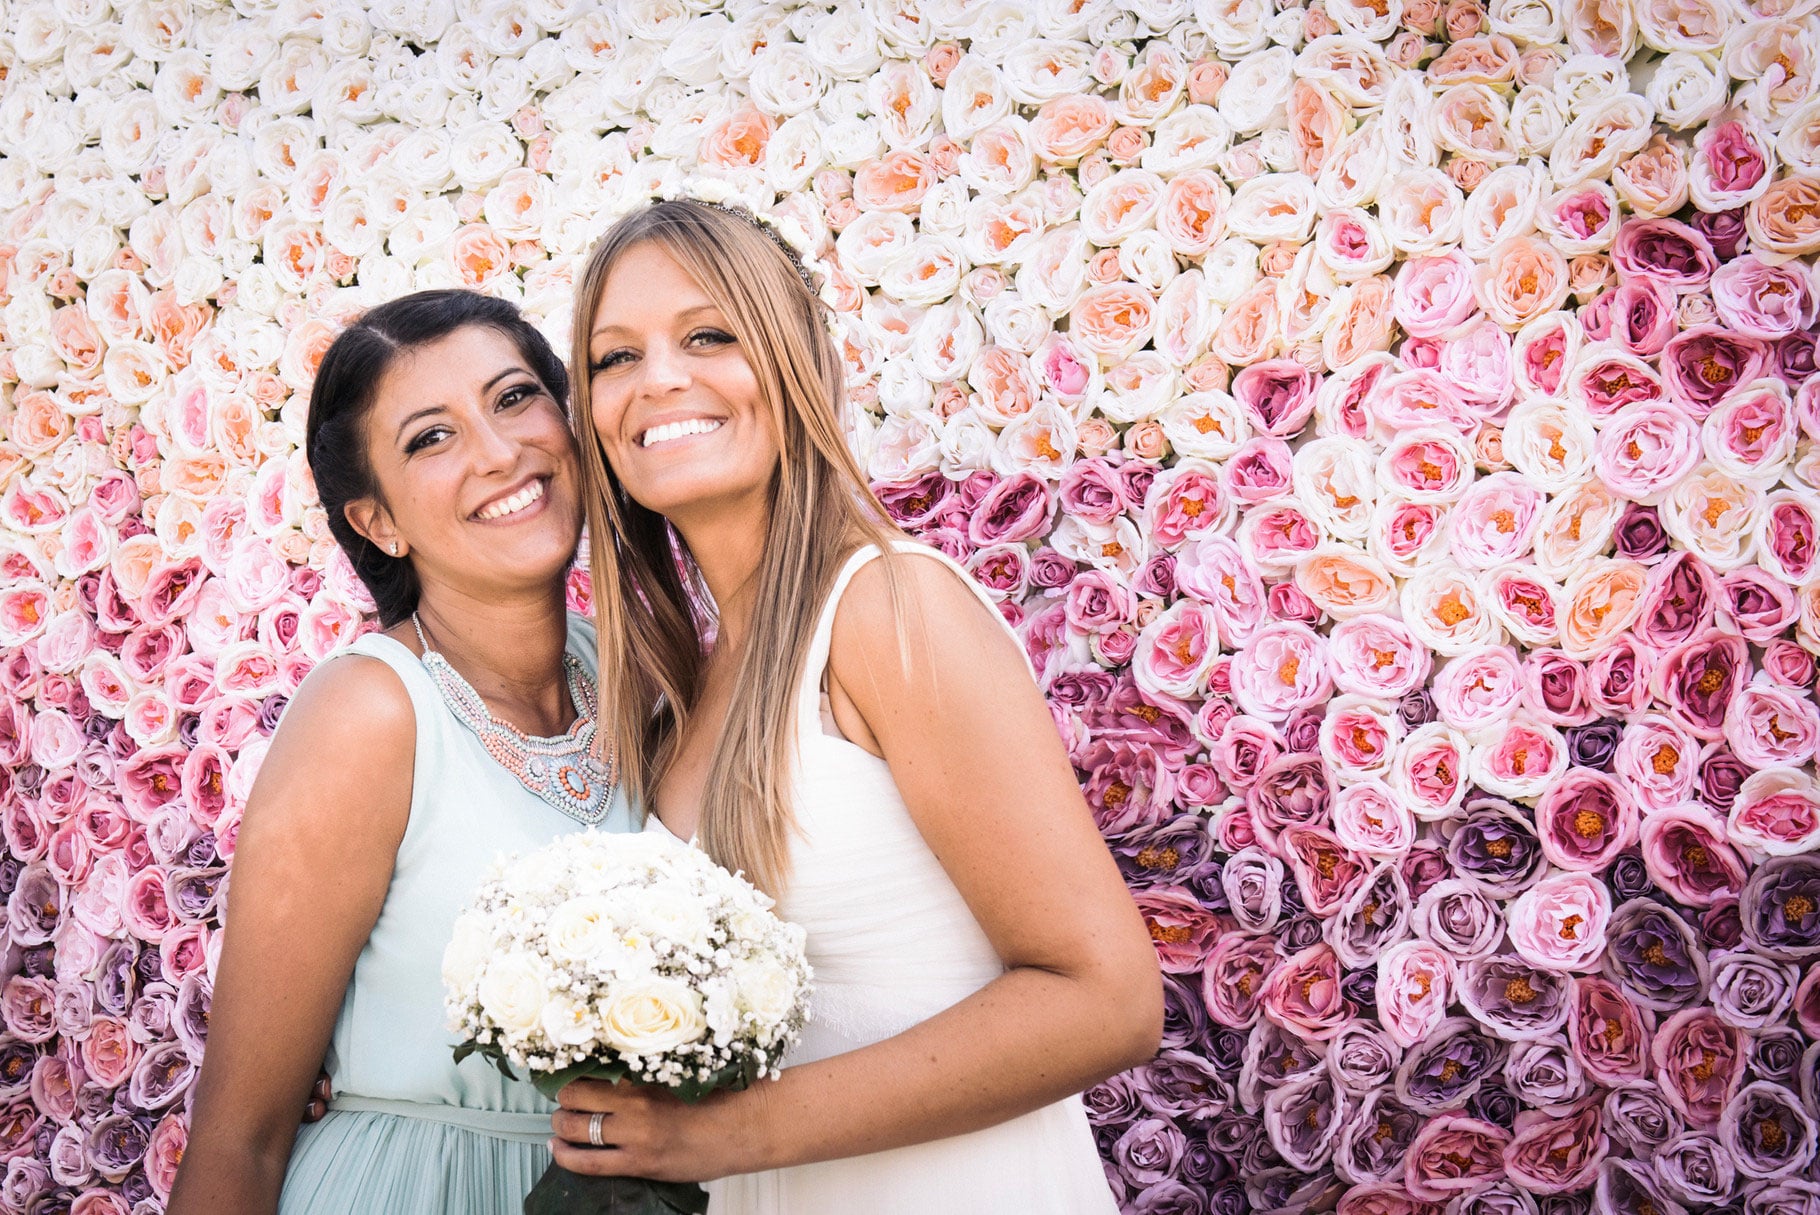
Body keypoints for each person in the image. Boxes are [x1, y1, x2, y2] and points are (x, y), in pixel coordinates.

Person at [549, 199, 1162, 1212]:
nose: (658, 379)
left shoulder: (886, 607)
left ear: (802, 366)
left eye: (708, 335)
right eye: (614, 358)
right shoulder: (687, 694)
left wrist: (711, 1136)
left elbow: (1104, 1002)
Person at [168, 291, 633, 1215]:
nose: (500, 453)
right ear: (379, 522)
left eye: (513, 398)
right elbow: (240, 1135)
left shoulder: (639, 678)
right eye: (432, 437)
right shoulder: (368, 713)